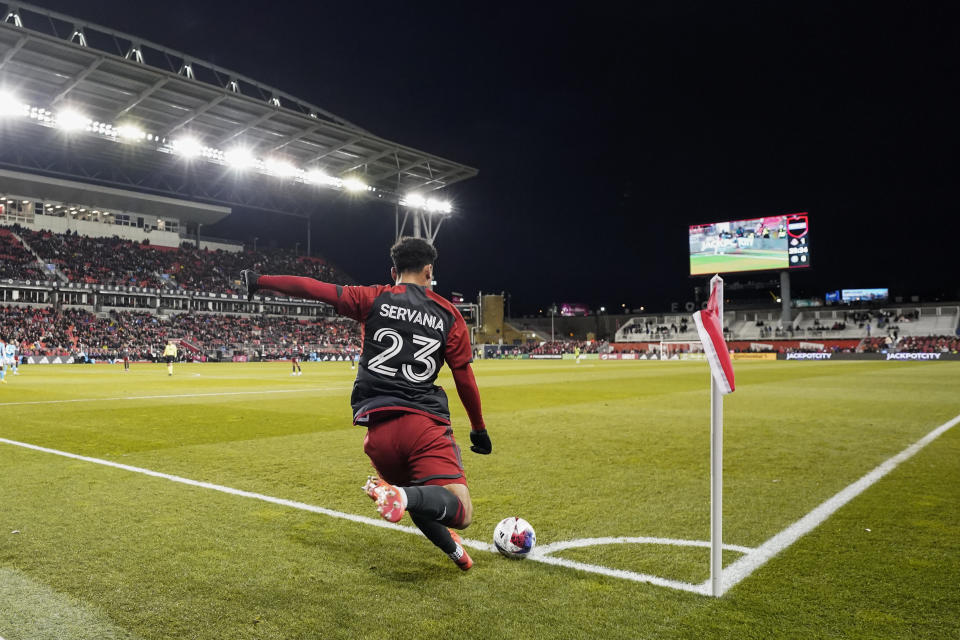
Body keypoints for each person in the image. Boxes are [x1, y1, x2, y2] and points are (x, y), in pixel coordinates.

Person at [241, 237, 491, 571]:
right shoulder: (448, 314)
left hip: (378, 436)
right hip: (423, 425)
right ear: (429, 270)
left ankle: (458, 555)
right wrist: (478, 429)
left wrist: (260, 281)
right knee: (459, 510)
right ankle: (400, 496)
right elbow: (464, 378)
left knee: (419, 496)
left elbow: (315, 289)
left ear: (393, 271)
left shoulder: (373, 297)